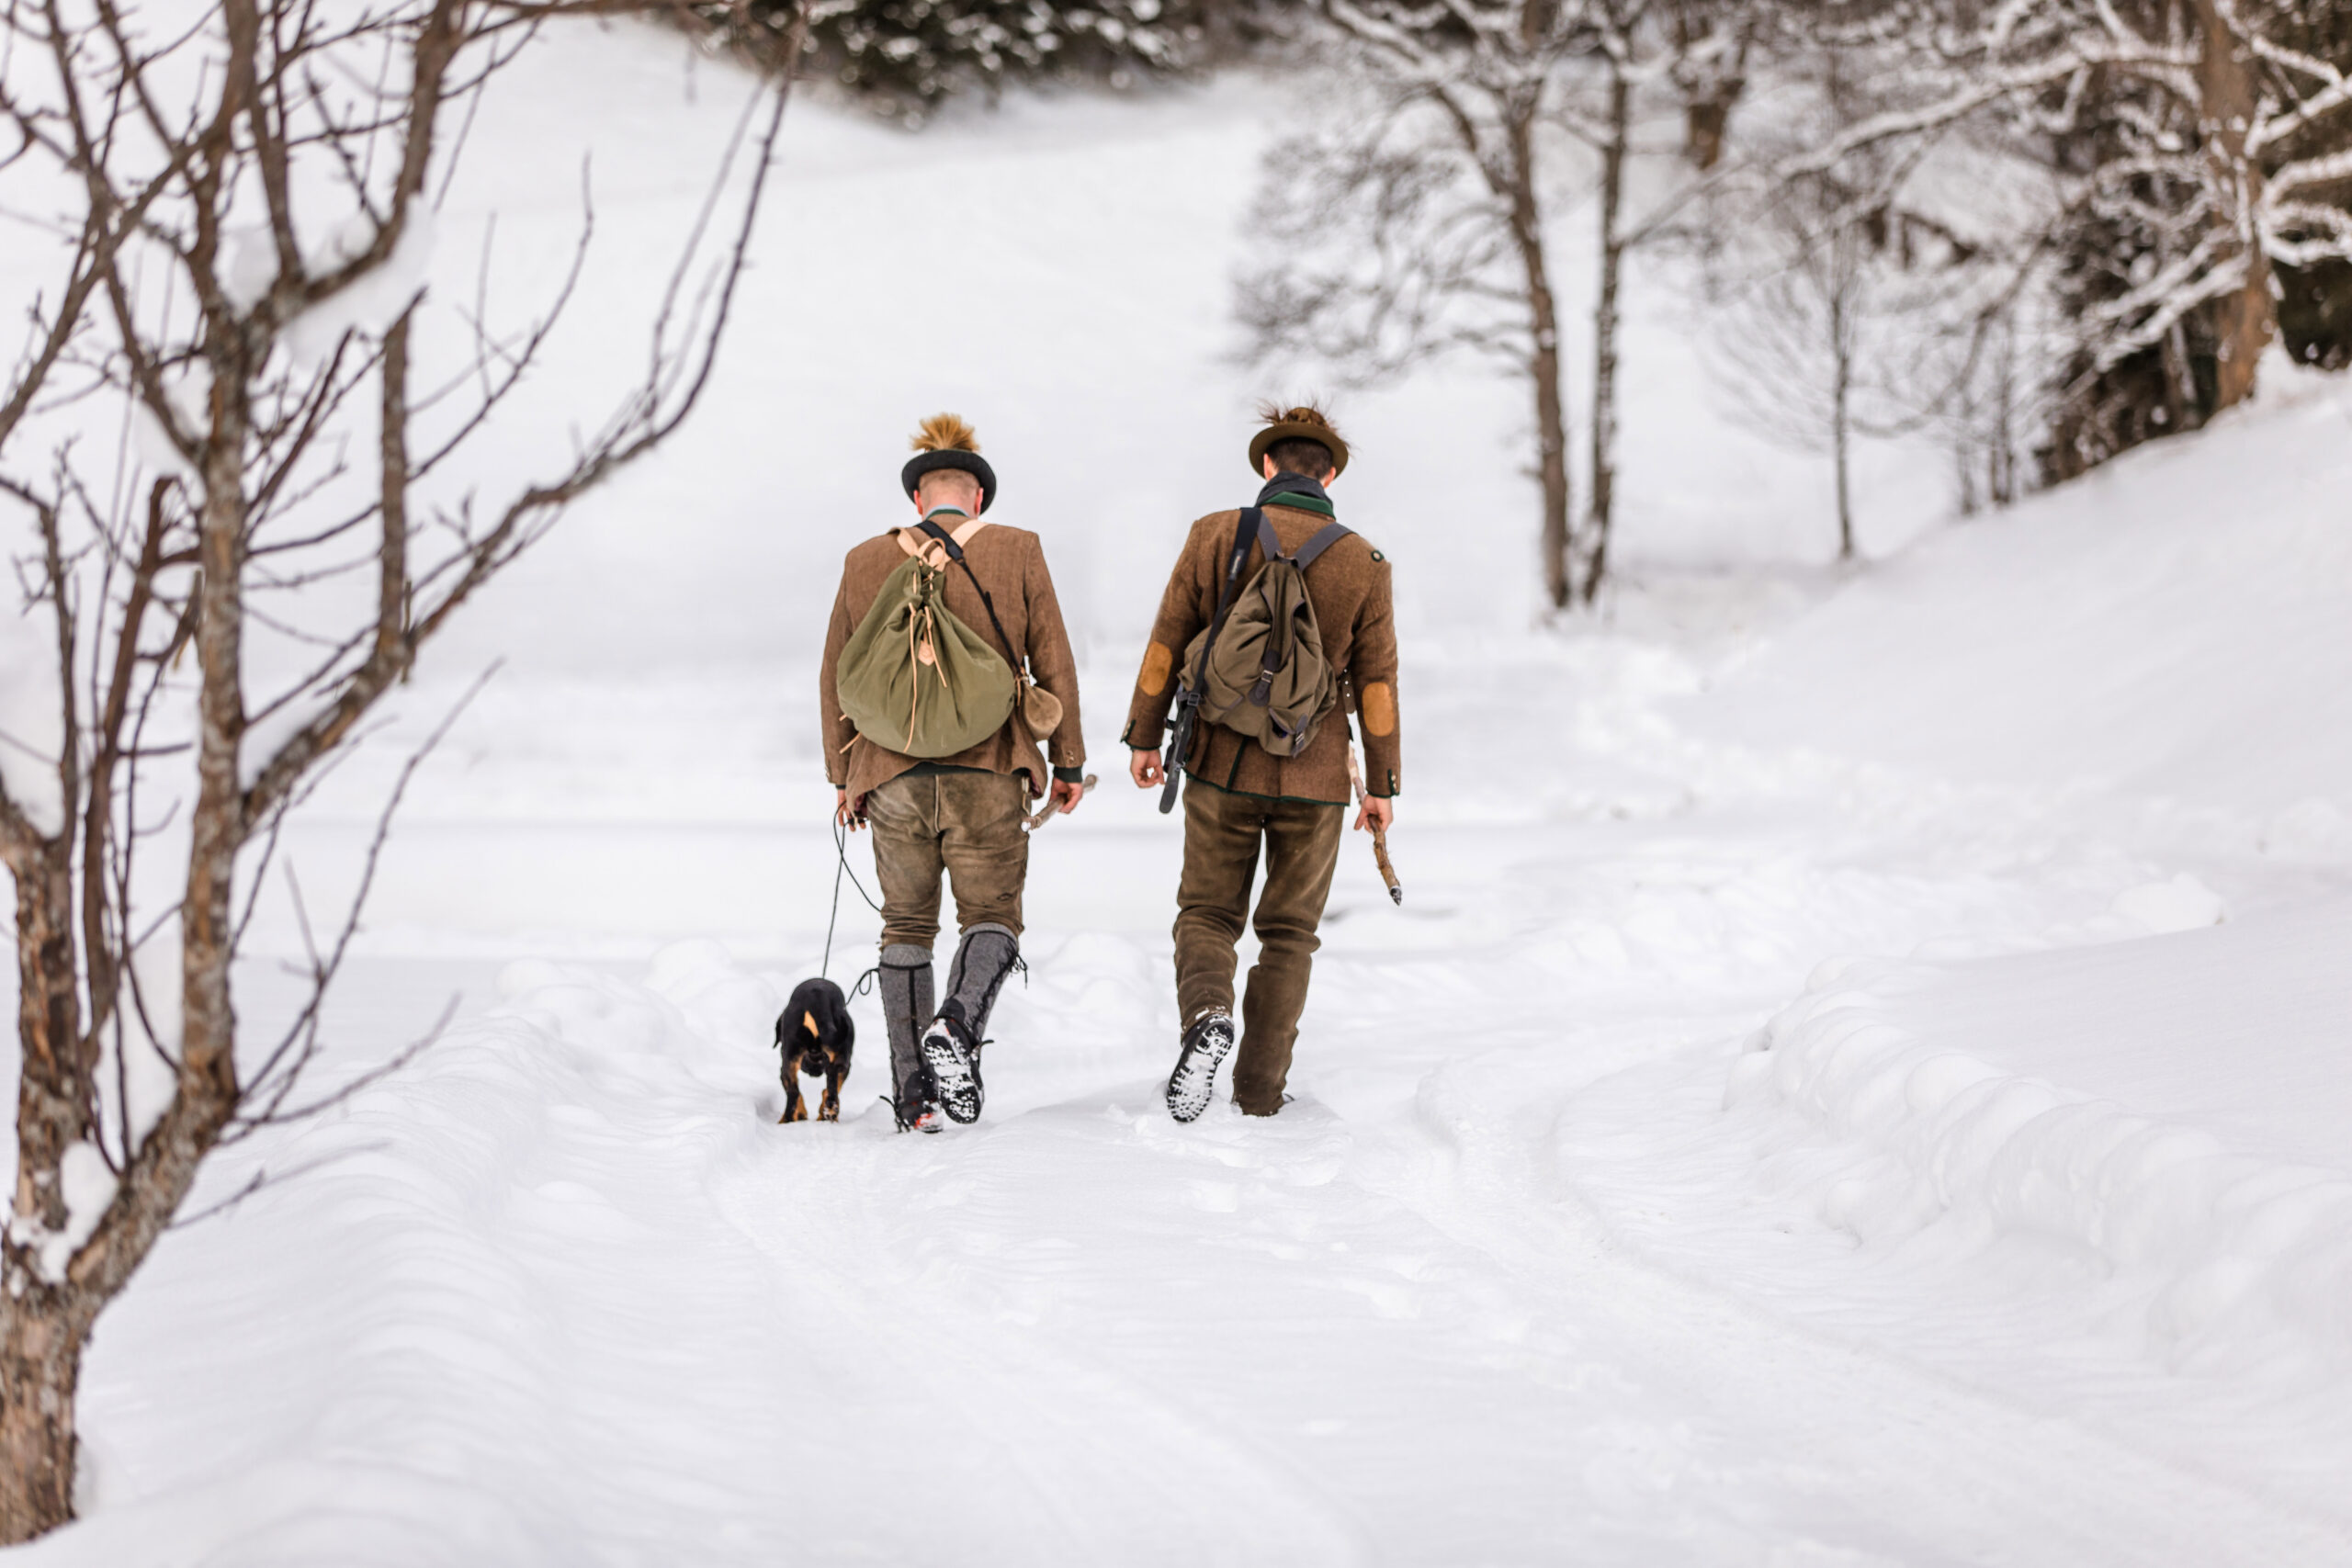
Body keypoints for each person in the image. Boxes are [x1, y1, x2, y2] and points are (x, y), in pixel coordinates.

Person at [1123, 403, 1401, 1120]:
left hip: (1220, 760)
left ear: (1270, 466)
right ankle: (1258, 1093)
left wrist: (1145, 735)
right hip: (1316, 775)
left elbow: (1166, 642)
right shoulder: (1365, 562)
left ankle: (1207, 1014)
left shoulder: (1215, 533)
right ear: (1330, 476)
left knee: (1208, 912)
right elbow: (1376, 684)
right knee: (1290, 934)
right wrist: (1381, 785)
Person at [820, 415, 1087, 1133]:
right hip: (990, 767)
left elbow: (836, 674)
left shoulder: (863, 560)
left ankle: (916, 1099)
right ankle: (959, 1025)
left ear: (918, 498)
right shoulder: (1017, 549)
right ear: (977, 497)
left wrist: (843, 777)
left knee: (905, 924)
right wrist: (1068, 760)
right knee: (991, 916)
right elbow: (1054, 660)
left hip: (889, 772)